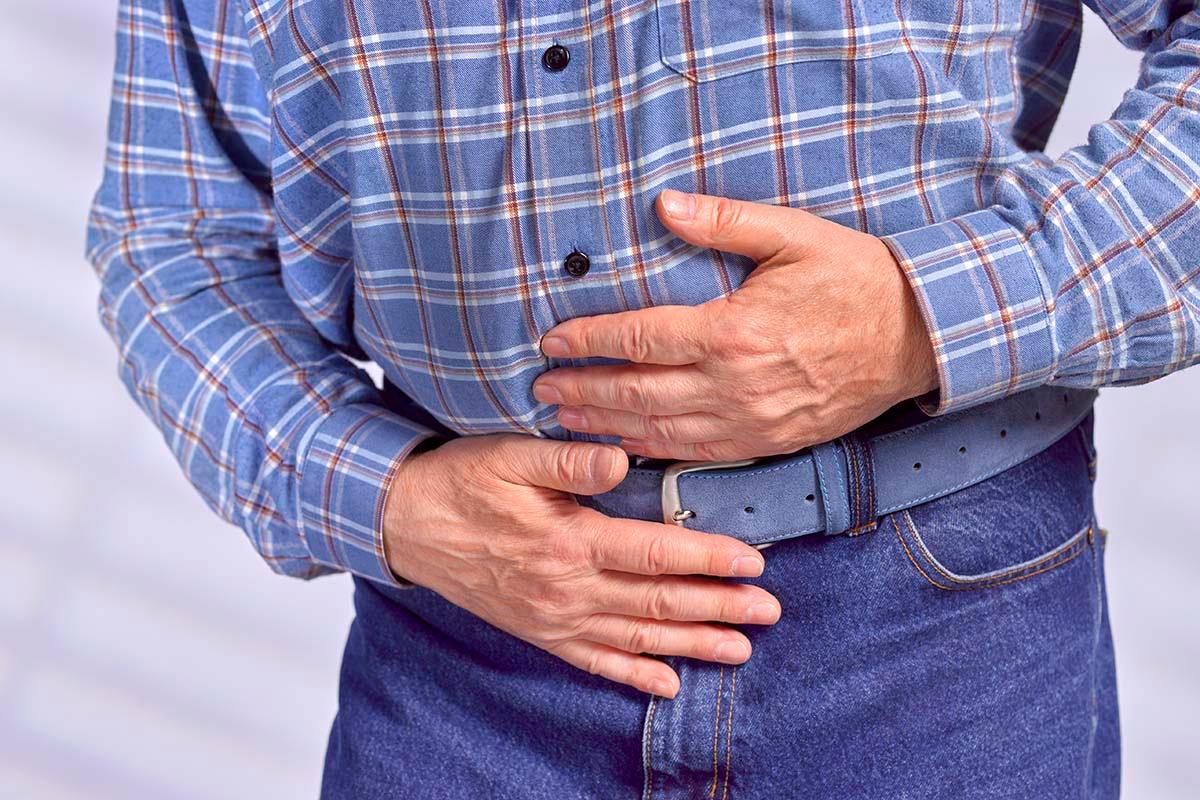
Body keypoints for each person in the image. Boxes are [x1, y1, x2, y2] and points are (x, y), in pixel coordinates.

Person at [85, 1, 1199, 797]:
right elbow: (173, 237)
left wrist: (920, 315)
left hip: (934, 634)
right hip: (467, 650)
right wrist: (385, 499)